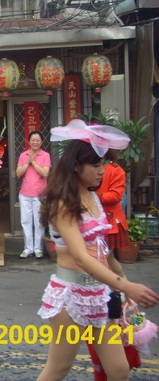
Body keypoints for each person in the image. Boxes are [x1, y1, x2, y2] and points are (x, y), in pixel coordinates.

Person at [37, 120, 159, 380]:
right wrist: (126, 286)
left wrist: (123, 283)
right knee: (58, 368)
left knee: (118, 369)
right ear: (76, 166)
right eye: (96, 165)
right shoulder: (62, 203)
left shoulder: (93, 197)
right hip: (68, 300)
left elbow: (103, 251)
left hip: (100, 295)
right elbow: (81, 257)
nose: (102, 171)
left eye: (102, 164)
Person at [16, 130, 51, 259]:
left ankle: (38, 249)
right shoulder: (23, 155)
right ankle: (28, 248)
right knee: (26, 222)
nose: (35, 142)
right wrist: (28, 161)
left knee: (39, 222)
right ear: (28, 142)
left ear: (41, 142)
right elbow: (18, 173)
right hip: (25, 194)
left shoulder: (45, 155)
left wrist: (34, 162)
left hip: (40, 194)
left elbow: (45, 173)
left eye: (37, 140)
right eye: (33, 140)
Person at [96, 148, 128, 278]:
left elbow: (116, 196)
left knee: (101, 259)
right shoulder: (91, 167)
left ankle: (119, 290)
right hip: (96, 219)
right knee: (108, 258)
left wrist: (94, 197)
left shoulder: (116, 170)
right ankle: (123, 289)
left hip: (110, 222)